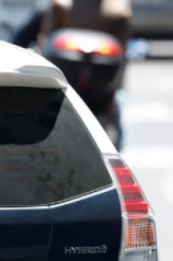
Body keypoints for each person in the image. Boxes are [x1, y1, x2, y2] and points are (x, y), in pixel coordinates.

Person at [38, 0, 132, 149]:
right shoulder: (118, 9)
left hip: (96, 89)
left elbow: (121, 53)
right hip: (66, 86)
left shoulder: (117, 10)